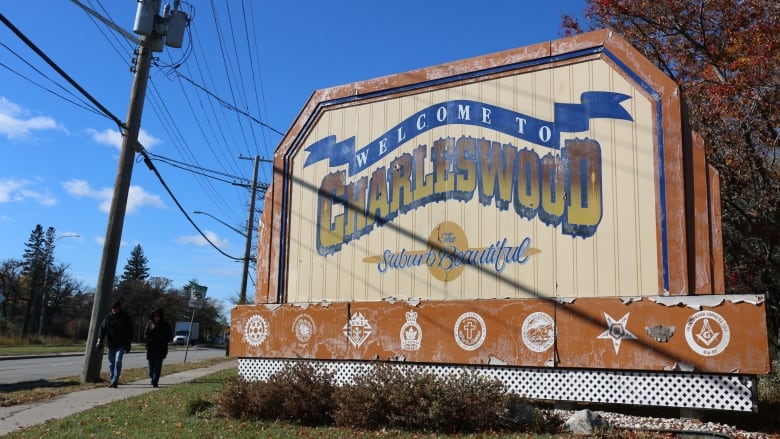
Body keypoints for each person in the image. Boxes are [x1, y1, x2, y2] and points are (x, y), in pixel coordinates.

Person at [95, 300, 133, 388]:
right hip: (110, 344)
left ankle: (115, 379)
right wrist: (99, 340)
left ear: (119, 308)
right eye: (113, 308)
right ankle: (112, 379)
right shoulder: (108, 318)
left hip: (121, 344)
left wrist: (128, 341)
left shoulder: (125, 318)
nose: (115, 310)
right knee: (111, 363)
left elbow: (130, 330)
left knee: (117, 361)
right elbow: (102, 329)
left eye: (116, 308)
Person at [144, 308, 173, 387]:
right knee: (151, 368)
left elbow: (170, 336)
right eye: (155, 316)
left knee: (158, 366)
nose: (156, 317)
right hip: (151, 348)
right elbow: (145, 335)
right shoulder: (150, 324)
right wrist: (150, 332)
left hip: (161, 348)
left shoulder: (165, 324)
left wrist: (164, 340)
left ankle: (155, 381)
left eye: (158, 316)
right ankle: (152, 376)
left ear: (161, 316)